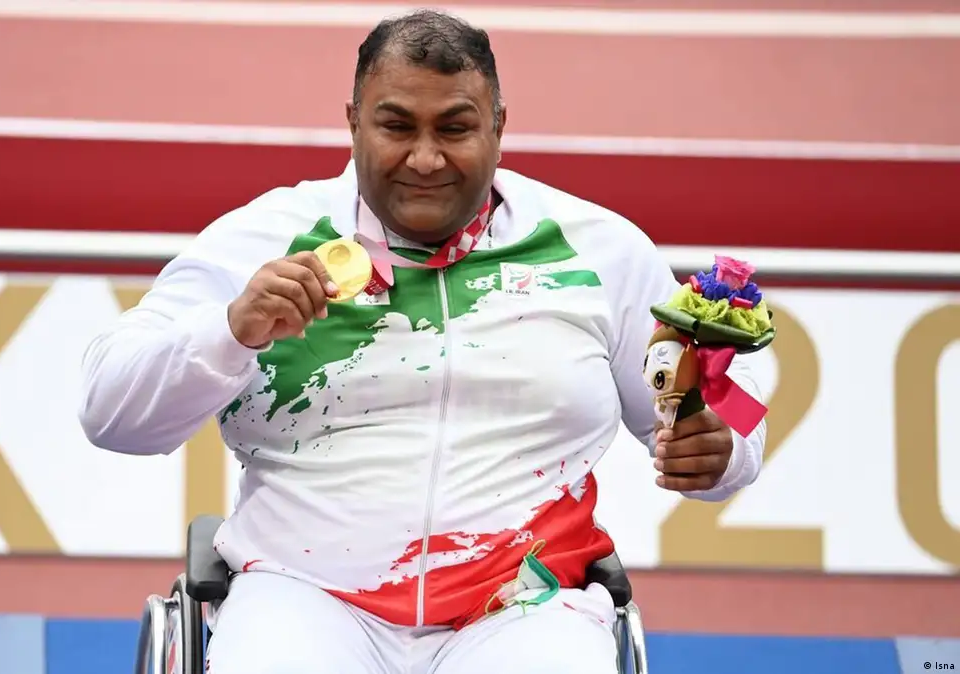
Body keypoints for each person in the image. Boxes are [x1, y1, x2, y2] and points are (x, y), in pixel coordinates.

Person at [78, 9, 767, 674]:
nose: (426, 158)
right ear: (354, 123)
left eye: (455, 128)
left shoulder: (600, 251)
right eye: (396, 126)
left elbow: (725, 408)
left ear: (498, 127)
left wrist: (724, 450)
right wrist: (229, 331)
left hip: (526, 605)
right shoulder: (262, 239)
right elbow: (110, 413)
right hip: (303, 596)